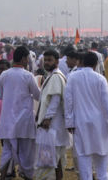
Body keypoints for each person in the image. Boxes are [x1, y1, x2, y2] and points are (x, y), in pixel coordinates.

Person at [65, 52, 108, 180]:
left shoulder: (72, 77)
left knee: (83, 162)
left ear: (81, 62)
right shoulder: (100, 79)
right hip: (100, 124)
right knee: (102, 164)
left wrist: (69, 122)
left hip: (80, 123)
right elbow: (107, 103)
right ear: (96, 64)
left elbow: (68, 101)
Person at [0, 46, 40, 180]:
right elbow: (39, 96)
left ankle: (3, 177)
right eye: (27, 58)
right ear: (23, 58)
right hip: (24, 122)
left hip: (7, 121)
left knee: (7, 153)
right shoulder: (28, 76)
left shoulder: (4, 75)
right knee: (27, 155)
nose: (28, 60)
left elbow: (2, 96)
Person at [35, 49, 69, 180]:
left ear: (57, 61)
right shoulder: (52, 75)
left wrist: (47, 118)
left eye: (50, 60)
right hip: (55, 127)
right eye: (46, 60)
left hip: (52, 126)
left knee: (49, 162)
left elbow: (55, 99)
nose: (47, 63)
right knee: (56, 162)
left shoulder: (55, 76)